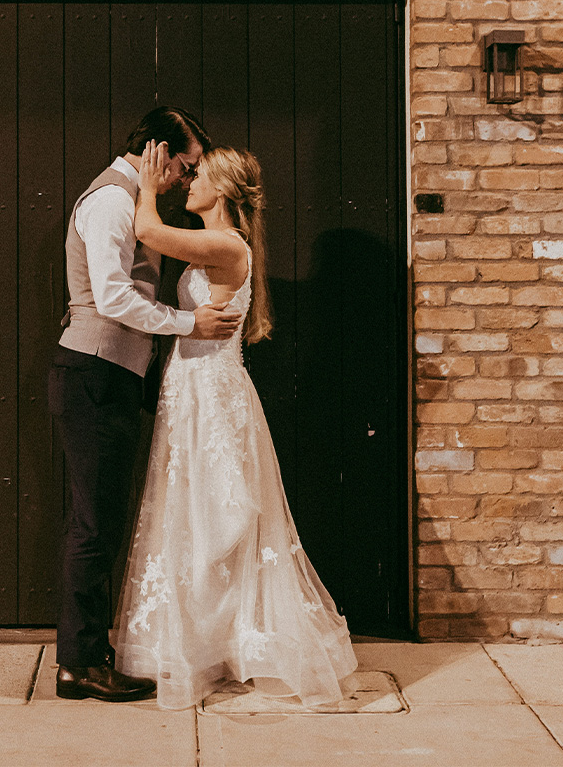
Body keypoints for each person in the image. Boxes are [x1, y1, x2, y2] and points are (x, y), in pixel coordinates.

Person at [114, 143, 358, 710]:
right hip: (193, 387)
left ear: (221, 191)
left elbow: (148, 231)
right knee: (193, 514)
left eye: (197, 176)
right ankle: (209, 644)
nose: (188, 182)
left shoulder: (226, 245)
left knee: (216, 516)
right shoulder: (216, 248)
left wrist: (146, 184)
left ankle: (225, 643)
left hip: (212, 396)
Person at [50, 108, 242, 703]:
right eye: (184, 166)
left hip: (110, 375)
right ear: (159, 152)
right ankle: (78, 664)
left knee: (101, 519)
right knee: (93, 524)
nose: (187, 181)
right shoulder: (110, 201)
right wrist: (188, 322)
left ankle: (87, 655)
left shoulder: (132, 201)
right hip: (94, 372)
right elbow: (110, 296)